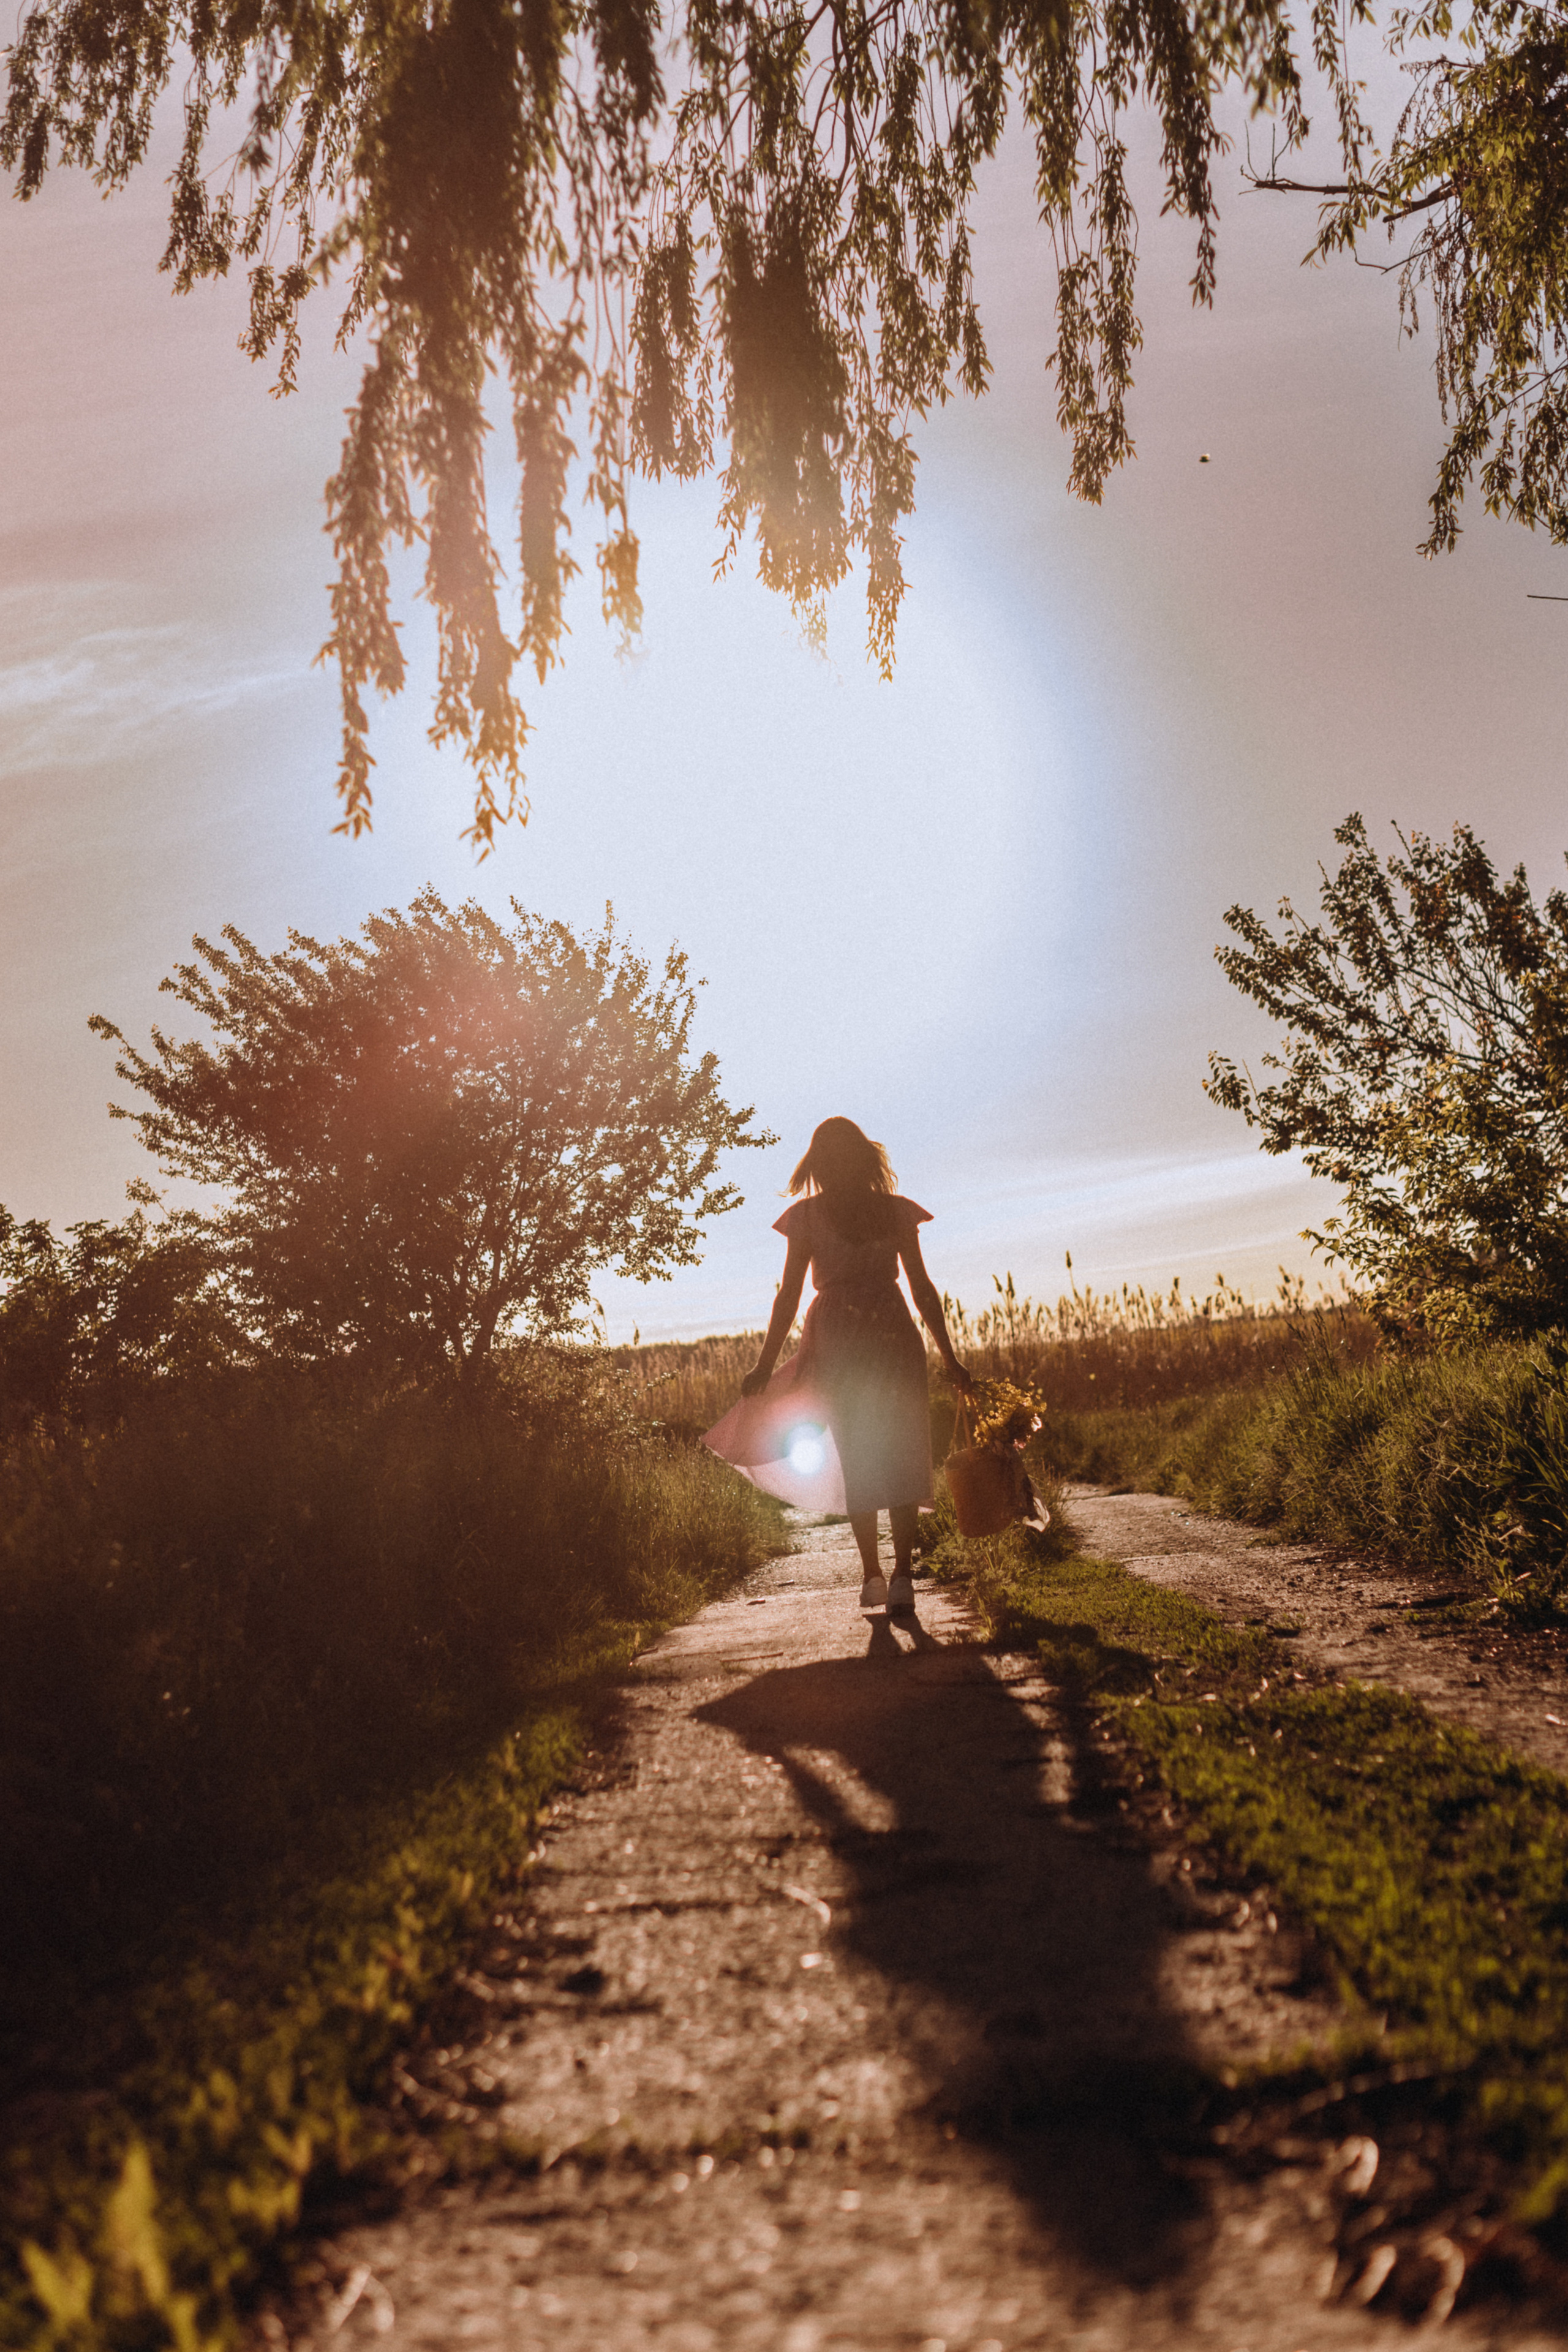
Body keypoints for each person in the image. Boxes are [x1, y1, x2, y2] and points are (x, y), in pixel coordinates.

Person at [704, 1117, 974, 1613]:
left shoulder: (808, 1218)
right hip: (891, 1334)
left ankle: (877, 1575)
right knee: (901, 1452)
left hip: (841, 1340)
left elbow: (789, 1295)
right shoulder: (893, 1212)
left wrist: (766, 1364)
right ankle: (900, 1578)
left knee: (861, 1456)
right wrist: (950, 1357)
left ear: (821, 1163)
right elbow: (921, 1290)